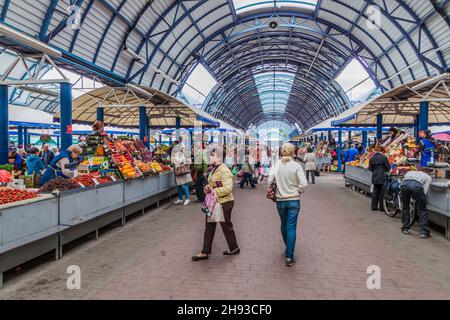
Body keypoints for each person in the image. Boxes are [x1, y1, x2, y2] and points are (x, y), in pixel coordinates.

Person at [192, 147, 239, 261]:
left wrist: (213, 191)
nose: (210, 157)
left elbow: (228, 188)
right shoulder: (214, 168)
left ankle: (234, 248)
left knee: (226, 226)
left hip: (224, 202)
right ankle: (205, 252)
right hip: (215, 202)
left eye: (212, 155)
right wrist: (208, 187)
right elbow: (214, 184)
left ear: (218, 157)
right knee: (209, 226)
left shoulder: (224, 170)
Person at [268, 143, 308, 267]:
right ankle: (289, 256)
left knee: (283, 224)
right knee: (291, 226)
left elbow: (269, 180)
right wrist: (298, 191)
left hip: (280, 200)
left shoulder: (276, 164)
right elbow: (304, 184)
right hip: (293, 200)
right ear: (292, 152)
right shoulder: (296, 166)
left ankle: (288, 247)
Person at [400, 169, 432, 238]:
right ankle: (424, 232)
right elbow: (424, 191)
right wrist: (419, 199)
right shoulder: (428, 177)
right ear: (428, 172)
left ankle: (405, 228)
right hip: (417, 186)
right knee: (423, 209)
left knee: (405, 207)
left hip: (405, 185)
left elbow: (404, 181)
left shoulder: (409, 172)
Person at [368, 144, 391, 211]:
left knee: (375, 192)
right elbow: (388, 167)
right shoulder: (384, 157)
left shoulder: (372, 158)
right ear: (381, 151)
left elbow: (370, 168)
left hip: (375, 176)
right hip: (382, 176)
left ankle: (374, 207)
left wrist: (375, 171)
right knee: (382, 192)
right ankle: (381, 207)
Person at [172, 141, 192, 206]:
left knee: (184, 185)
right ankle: (180, 199)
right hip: (178, 171)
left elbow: (186, 161)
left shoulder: (183, 152)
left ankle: (187, 198)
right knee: (179, 186)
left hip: (182, 171)